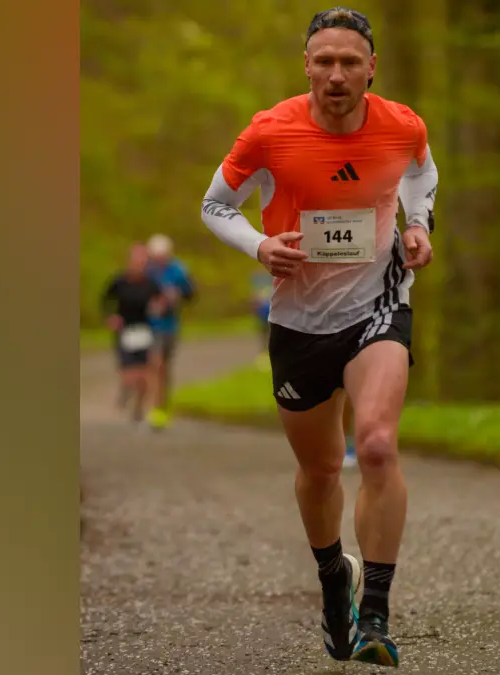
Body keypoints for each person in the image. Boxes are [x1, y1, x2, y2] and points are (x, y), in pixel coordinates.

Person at [198, 7, 438, 668]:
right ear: (307, 65)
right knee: (321, 468)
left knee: (379, 445)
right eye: (324, 61)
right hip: (300, 320)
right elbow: (215, 205)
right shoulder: (270, 132)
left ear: (371, 68)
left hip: (378, 306)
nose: (337, 74)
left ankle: (377, 616)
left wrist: (419, 225)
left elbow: (422, 171)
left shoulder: (402, 124)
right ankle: (336, 576)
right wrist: (258, 244)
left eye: (350, 62)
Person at [101, 243, 166, 425]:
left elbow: (161, 302)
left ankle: (138, 409)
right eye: (137, 258)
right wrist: (111, 317)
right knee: (131, 375)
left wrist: (160, 307)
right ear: (130, 260)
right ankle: (126, 390)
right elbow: (105, 301)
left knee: (146, 375)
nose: (140, 262)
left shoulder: (150, 283)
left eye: (144, 259)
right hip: (125, 331)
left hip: (144, 330)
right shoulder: (119, 281)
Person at [144, 233, 195, 430]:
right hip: (148, 326)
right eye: (156, 256)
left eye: (162, 256)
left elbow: (191, 294)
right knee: (153, 364)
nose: (159, 260)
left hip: (169, 325)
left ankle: (162, 404)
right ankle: (153, 406)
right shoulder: (147, 271)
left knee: (163, 366)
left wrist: (177, 296)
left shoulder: (178, 270)